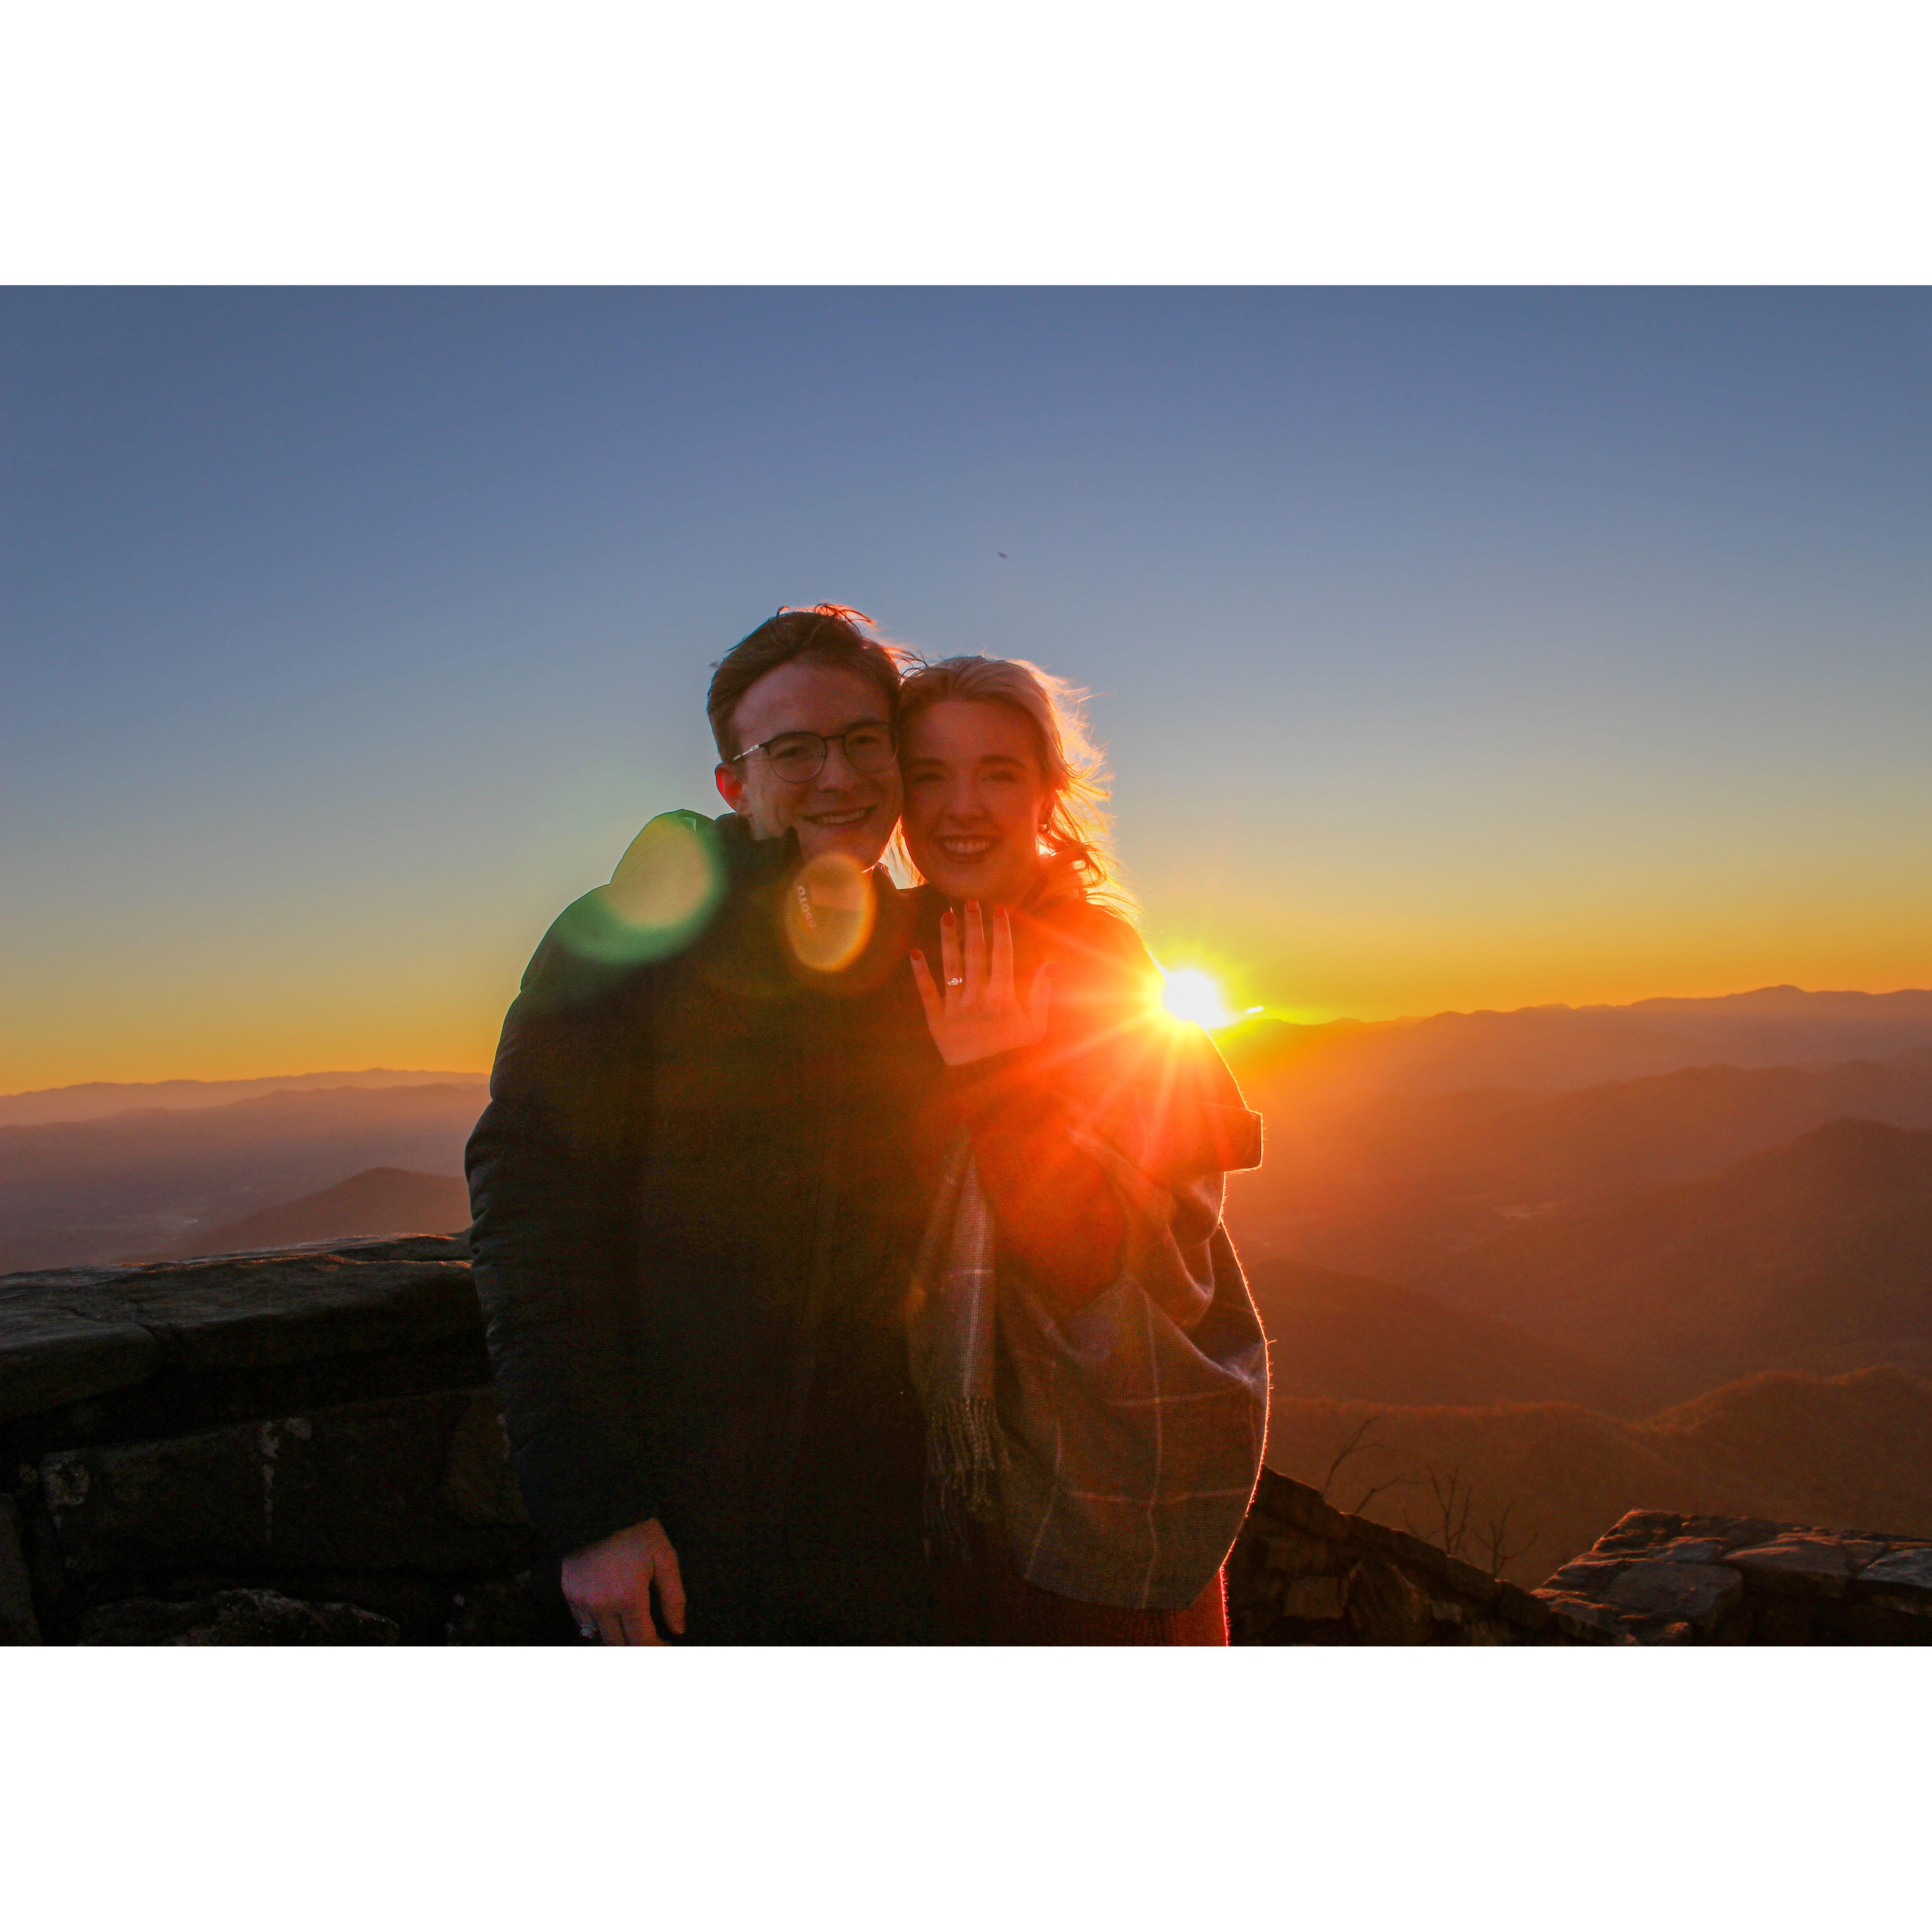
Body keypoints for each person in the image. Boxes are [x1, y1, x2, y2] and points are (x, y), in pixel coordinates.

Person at [465, 605, 941, 1644]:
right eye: (794, 749)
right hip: (690, 1538)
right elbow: (534, 1218)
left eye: (865, 740)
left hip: (899, 1537)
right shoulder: (631, 937)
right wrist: (594, 1514)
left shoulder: (929, 952)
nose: (839, 776)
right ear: (734, 780)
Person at [893, 654, 1268, 1644]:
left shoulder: (1095, 965)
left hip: (1082, 1479)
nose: (959, 807)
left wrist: (992, 1075)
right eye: (928, 774)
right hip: (941, 1491)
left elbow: (1091, 1265)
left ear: (1048, 793)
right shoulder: (900, 950)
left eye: (997, 773)